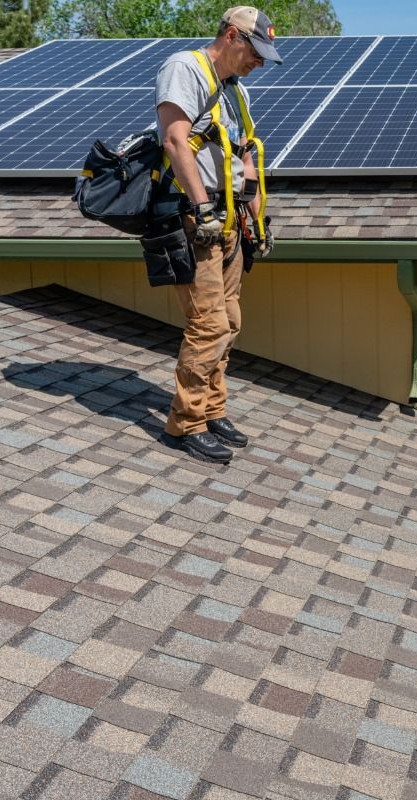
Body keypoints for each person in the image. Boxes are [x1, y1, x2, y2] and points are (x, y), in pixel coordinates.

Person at [155, 6, 280, 464]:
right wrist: (202, 208)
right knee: (208, 325)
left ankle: (212, 409)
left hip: (229, 222)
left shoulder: (235, 91)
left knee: (230, 322)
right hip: (197, 218)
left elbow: (244, 156)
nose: (259, 63)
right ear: (232, 36)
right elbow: (174, 140)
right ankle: (184, 424)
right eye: (255, 52)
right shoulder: (186, 69)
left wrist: (256, 220)